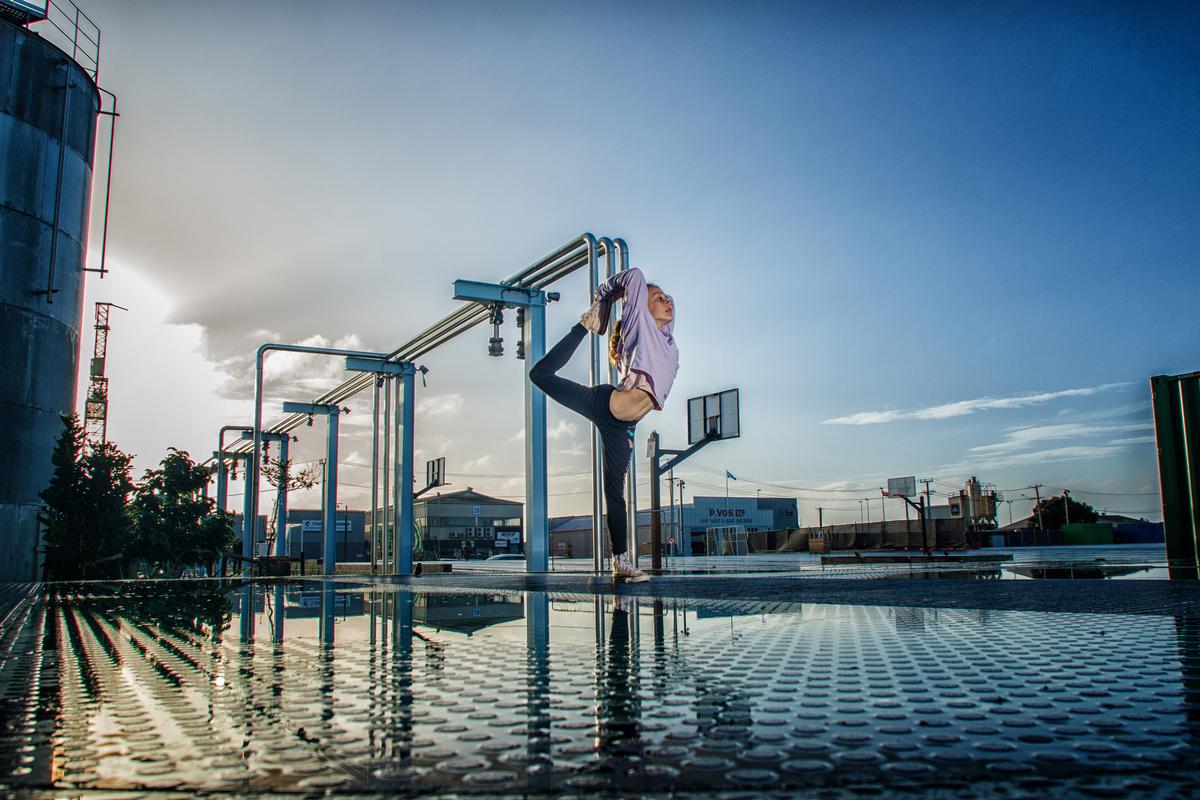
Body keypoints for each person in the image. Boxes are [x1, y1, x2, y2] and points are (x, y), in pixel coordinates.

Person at [529, 267, 677, 583]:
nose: (667, 301)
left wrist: (657, 298)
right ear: (639, 307)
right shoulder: (641, 326)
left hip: (624, 427)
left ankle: (619, 562)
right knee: (540, 376)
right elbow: (634, 277)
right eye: (658, 298)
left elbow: (664, 304)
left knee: (615, 493)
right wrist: (604, 298)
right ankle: (584, 325)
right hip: (604, 404)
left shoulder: (667, 341)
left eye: (666, 298)